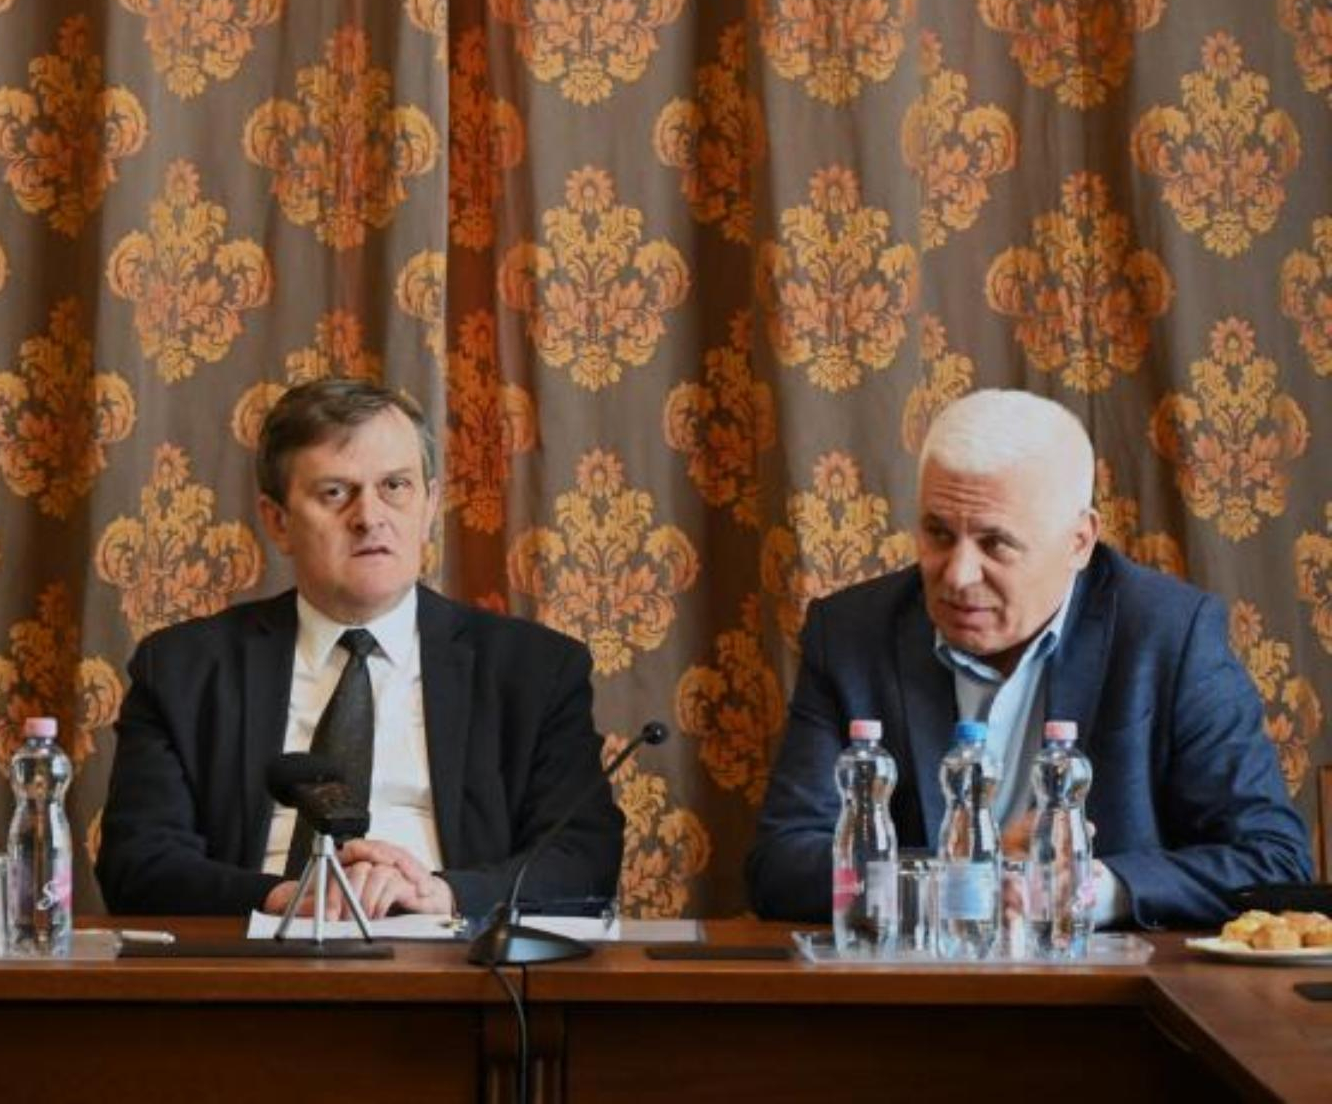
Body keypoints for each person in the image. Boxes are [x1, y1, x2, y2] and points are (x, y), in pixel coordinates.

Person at [748, 389, 1311, 927]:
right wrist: (966, 879)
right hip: (912, 983)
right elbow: (782, 863)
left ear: (1079, 542)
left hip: (1102, 988)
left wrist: (1090, 890)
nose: (958, 575)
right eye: (938, 534)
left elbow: (1273, 861)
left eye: (996, 544)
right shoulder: (853, 633)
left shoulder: (1167, 637)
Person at [98, 378, 623, 918]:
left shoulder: (534, 670)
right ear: (278, 521)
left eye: (395, 486)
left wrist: (441, 894)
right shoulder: (185, 669)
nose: (370, 517)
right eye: (334, 492)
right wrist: (288, 900)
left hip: (453, 951)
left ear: (430, 505)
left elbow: (583, 857)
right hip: (258, 953)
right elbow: (138, 861)